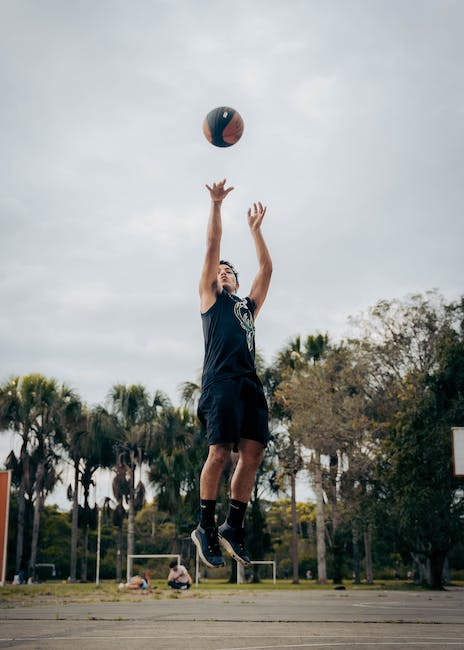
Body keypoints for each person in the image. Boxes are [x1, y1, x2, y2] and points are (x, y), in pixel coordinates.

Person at [191, 179, 272, 569]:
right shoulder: (212, 300)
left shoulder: (247, 307)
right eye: (219, 270)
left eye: (229, 271)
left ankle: (232, 527)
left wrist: (256, 232)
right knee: (220, 453)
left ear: (237, 282)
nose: (223, 271)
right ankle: (205, 526)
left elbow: (267, 269)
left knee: (252, 454)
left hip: (248, 384)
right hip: (220, 382)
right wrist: (217, 205)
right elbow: (212, 246)